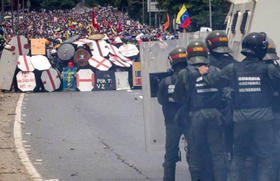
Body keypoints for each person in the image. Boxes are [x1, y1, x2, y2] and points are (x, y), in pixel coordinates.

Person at [199, 32, 280, 181]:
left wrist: (204, 73)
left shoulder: (233, 68)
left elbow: (213, 81)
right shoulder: (268, 69)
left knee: (240, 157)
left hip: (240, 120)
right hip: (263, 120)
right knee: (265, 157)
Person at [173, 40, 226, 181]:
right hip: (216, 115)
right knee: (218, 154)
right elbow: (225, 93)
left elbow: (178, 97)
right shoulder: (216, 71)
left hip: (195, 117)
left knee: (195, 152)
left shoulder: (184, 73)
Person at [206, 30, 237, 180]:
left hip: (213, 111)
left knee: (214, 149)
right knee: (232, 145)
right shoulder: (234, 63)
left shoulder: (206, 63)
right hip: (233, 112)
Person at [157, 47, 188, 181]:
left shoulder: (166, 81)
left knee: (170, 154)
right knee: (194, 152)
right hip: (190, 120)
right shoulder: (192, 78)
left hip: (171, 121)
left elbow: (160, 100)